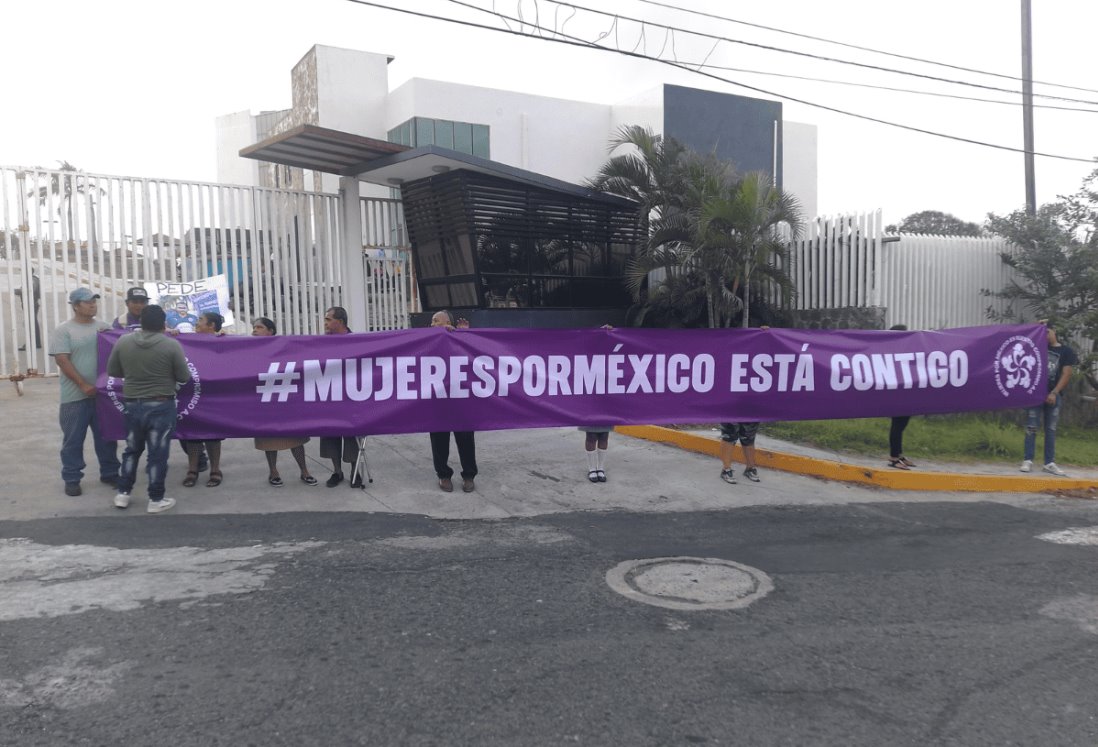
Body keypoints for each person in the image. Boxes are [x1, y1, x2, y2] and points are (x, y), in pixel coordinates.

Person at [107, 304, 190, 513]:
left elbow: (113, 370)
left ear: (141, 322)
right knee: (157, 454)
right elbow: (184, 376)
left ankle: (123, 493)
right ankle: (156, 498)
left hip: (132, 403)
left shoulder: (124, 341)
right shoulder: (171, 346)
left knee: (131, 450)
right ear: (164, 323)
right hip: (161, 404)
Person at [48, 287, 121, 496]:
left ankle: (110, 472)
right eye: (88, 302)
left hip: (102, 396)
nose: (93, 305)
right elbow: (62, 359)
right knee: (73, 440)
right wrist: (83, 385)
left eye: (94, 302)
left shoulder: (103, 327)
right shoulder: (64, 330)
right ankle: (72, 477)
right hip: (75, 397)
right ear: (75, 306)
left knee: (107, 437)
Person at [251, 317, 318, 487]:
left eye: (259, 327)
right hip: (264, 400)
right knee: (268, 438)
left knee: (296, 438)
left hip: (286, 399)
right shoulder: (248, 348)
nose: (255, 330)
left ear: (270, 331)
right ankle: (273, 471)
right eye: (254, 327)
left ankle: (304, 471)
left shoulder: (284, 346)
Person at [428, 310, 478, 493]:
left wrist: (464, 336)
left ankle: (469, 475)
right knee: (439, 439)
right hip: (438, 398)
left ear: (447, 323)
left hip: (460, 398)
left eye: (436, 321)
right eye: (431, 322)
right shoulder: (427, 340)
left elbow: (474, 359)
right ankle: (443, 475)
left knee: (465, 438)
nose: (432, 325)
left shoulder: (459, 337)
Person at [1021, 322, 1077, 476]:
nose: (1045, 335)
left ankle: (1049, 463)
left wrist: (1054, 392)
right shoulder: (1036, 348)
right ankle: (1028, 460)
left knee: (1050, 430)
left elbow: (1066, 374)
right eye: (1042, 333)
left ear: (1054, 331)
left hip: (1054, 395)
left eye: (1047, 332)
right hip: (1035, 395)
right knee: (1031, 427)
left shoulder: (1066, 352)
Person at [318, 306, 365, 487]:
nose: (325, 323)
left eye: (329, 319)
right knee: (330, 435)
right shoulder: (320, 342)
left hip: (352, 396)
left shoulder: (356, 342)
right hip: (329, 395)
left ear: (341, 322)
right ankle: (337, 472)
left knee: (352, 435)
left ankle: (355, 472)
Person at [180, 312, 226, 488]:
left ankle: (215, 470)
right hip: (193, 394)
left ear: (212, 325)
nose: (197, 323)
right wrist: (173, 334)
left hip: (213, 395)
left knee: (213, 436)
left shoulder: (222, 341)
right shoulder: (188, 340)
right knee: (193, 434)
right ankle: (192, 470)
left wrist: (223, 338)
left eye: (200, 321)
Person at [886, 324, 917, 470]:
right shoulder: (890, 351)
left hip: (906, 393)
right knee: (897, 426)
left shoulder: (904, 349)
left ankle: (899, 455)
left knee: (902, 424)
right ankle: (893, 458)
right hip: (896, 394)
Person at [15, 270, 41, 350]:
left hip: (31, 304)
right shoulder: (33, 279)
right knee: (32, 323)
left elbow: (29, 290)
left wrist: (17, 291)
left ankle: (32, 344)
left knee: (31, 324)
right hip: (31, 304)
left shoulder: (32, 280)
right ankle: (36, 343)